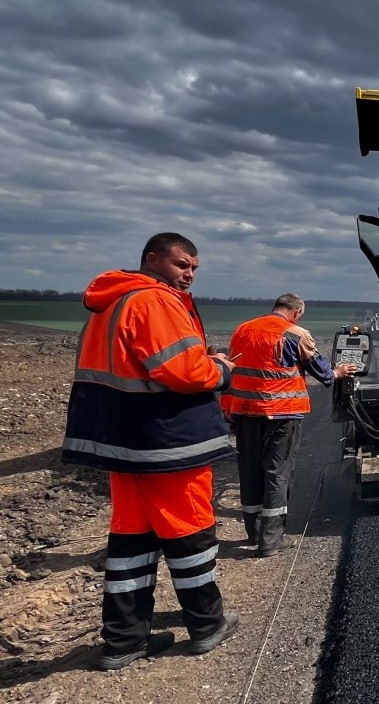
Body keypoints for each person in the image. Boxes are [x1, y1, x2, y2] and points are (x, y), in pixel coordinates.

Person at [62, 232, 240, 670]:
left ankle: (123, 641)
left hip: (125, 443)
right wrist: (219, 369)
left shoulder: (111, 303)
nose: (189, 274)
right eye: (182, 264)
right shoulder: (154, 302)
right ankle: (206, 623)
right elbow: (183, 370)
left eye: (194, 267)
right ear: (152, 258)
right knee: (190, 531)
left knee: (131, 541)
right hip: (166, 440)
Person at [223, 294, 357, 557]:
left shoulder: (243, 329)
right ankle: (271, 540)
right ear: (296, 312)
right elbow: (321, 370)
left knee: (250, 471)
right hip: (282, 413)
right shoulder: (296, 333)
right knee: (277, 471)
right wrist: (337, 372)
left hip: (245, 411)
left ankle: (254, 532)